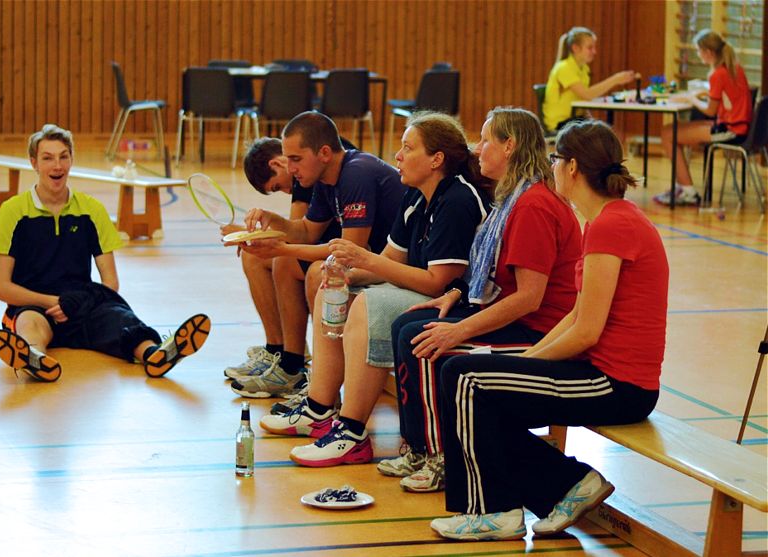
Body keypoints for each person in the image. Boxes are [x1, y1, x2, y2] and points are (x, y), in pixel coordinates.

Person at [429, 119, 668, 541]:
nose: (551, 166)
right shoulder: (605, 221)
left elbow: (586, 331)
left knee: (464, 376)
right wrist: (522, 365)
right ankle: (568, 484)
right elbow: (576, 316)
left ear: (572, 167)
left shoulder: (613, 225)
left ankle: (494, 511)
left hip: (618, 386)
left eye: (556, 159)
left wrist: (527, 364)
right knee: (474, 380)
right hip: (599, 375)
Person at [260, 112, 492, 468]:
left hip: (454, 304)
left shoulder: (458, 199)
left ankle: (352, 432)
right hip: (421, 290)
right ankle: (320, 409)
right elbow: (388, 257)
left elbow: (438, 283)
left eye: (407, 148)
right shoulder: (415, 198)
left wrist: (363, 265)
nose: (397, 155)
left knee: (368, 306)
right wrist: (346, 276)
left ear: (436, 159)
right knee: (331, 290)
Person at [378, 107, 583, 493]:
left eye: (486, 139)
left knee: (424, 341)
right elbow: (489, 274)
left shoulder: (533, 205)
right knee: (408, 324)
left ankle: (440, 456)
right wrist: (454, 296)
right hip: (516, 317)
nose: (477, 149)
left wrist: (460, 330)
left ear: (510, 146)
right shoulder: (511, 198)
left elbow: (528, 299)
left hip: (541, 331)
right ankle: (420, 447)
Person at [0, 124, 210, 382]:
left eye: (63, 156)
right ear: (34, 163)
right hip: (36, 306)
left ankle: (155, 354)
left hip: (82, 304)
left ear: (71, 160)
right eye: (47, 158)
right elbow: (1, 287)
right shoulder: (12, 211)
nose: (57, 166)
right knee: (29, 324)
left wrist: (78, 301)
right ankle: (33, 357)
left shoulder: (92, 210)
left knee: (121, 319)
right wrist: (53, 302)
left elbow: (111, 283)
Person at [228, 112, 405, 398]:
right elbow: (307, 231)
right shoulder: (325, 179)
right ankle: (292, 365)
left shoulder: (355, 173)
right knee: (291, 262)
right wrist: (271, 220)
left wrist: (280, 247)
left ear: (323, 153)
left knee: (319, 272)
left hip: (399, 267)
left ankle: (324, 389)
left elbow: (350, 253)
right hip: (376, 259)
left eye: (295, 159)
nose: (292, 169)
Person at [221, 137, 340, 382]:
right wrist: (254, 239)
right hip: (327, 242)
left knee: (282, 260)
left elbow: (297, 237)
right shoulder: (304, 165)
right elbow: (299, 230)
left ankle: (292, 365)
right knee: (253, 257)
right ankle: (277, 348)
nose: (286, 191)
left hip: (340, 250)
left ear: (278, 163)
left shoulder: (307, 167)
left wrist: (253, 235)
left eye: (277, 186)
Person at [654, 29, 753, 206]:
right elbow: (727, 95)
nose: (698, 54)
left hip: (730, 131)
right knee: (673, 130)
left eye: (699, 51)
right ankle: (682, 185)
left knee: (668, 134)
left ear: (707, 52)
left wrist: (692, 98)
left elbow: (710, 111)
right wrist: (704, 93)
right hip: (738, 126)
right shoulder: (734, 68)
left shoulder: (718, 74)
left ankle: (688, 190)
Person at [542, 26, 636, 132]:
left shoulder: (583, 68)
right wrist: (615, 79)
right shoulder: (564, 67)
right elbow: (587, 94)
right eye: (590, 48)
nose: (594, 52)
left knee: (604, 130)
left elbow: (584, 98)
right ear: (576, 48)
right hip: (561, 123)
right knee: (601, 133)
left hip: (576, 119)